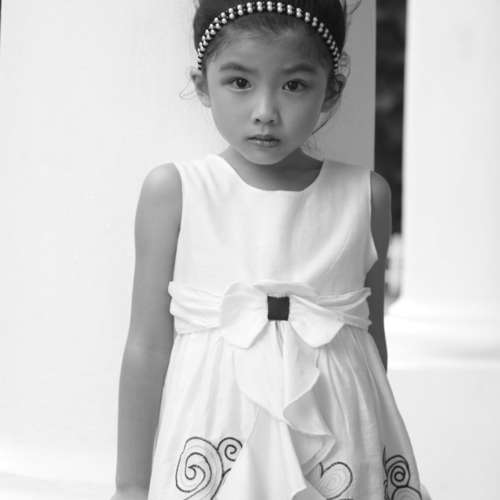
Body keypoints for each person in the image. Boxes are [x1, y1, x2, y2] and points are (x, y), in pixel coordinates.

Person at [111, 1, 431, 499]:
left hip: (339, 445)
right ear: (203, 85)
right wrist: (130, 485)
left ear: (331, 91)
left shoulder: (365, 197)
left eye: (294, 85)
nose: (265, 111)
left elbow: (370, 345)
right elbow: (147, 347)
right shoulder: (176, 192)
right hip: (214, 436)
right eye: (240, 82)